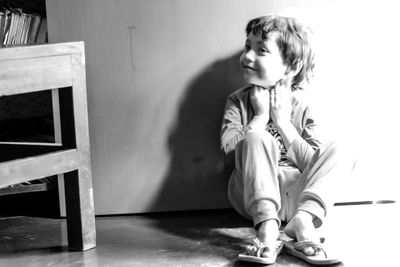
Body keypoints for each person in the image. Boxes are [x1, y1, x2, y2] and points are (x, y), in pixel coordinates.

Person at [220, 15, 351, 265]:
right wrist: (259, 117)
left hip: (296, 200)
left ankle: (303, 221)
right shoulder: (238, 101)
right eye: (248, 46)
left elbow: (315, 167)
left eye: (261, 50)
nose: (248, 56)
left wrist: (284, 123)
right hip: (250, 197)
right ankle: (267, 228)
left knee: (341, 149)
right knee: (256, 137)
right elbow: (229, 155)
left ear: (290, 67)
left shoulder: (302, 108)